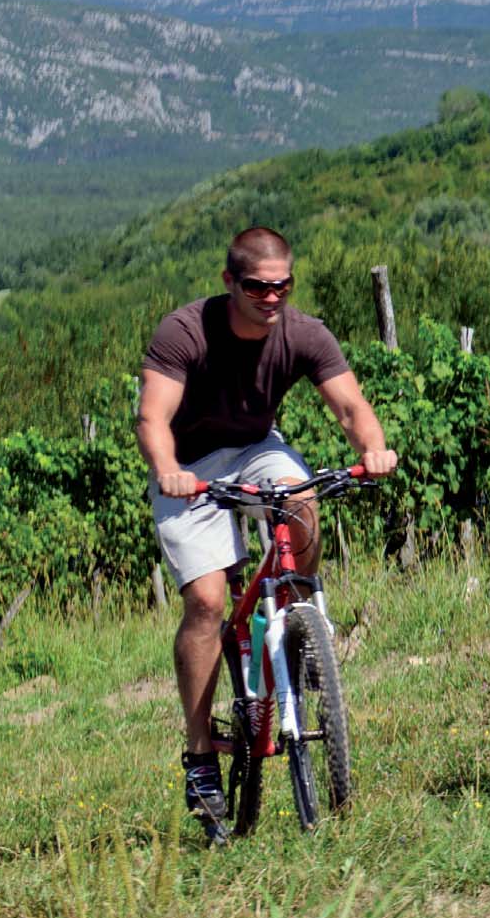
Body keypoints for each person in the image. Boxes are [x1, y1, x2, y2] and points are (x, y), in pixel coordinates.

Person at [137, 225, 397, 827]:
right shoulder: (184, 333)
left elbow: (352, 407)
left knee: (304, 497)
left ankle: (300, 618)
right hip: (190, 465)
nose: (272, 297)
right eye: (258, 286)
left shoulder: (303, 333)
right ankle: (201, 754)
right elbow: (153, 418)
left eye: (283, 285)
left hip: (257, 448)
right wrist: (168, 468)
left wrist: (374, 447)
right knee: (205, 602)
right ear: (230, 282)